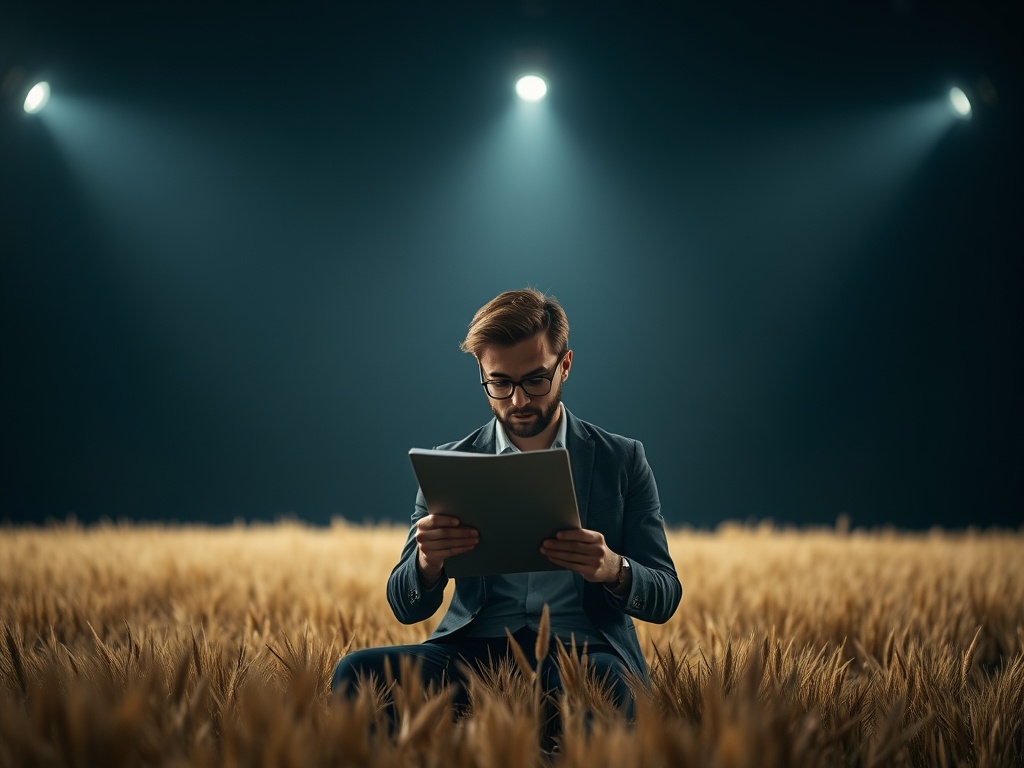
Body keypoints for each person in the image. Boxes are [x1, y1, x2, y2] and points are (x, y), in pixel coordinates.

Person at [331, 288, 681, 744]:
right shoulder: (448, 464)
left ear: (566, 366)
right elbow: (405, 604)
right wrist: (426, 563)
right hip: (473, 651)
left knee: (606, 692)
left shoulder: (621, 460)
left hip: (586, 652)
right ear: (482, 373)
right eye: (499, 383)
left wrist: (614, 569)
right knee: (357, 673)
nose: (518, 401)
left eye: (535, 380)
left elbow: (666, 593)